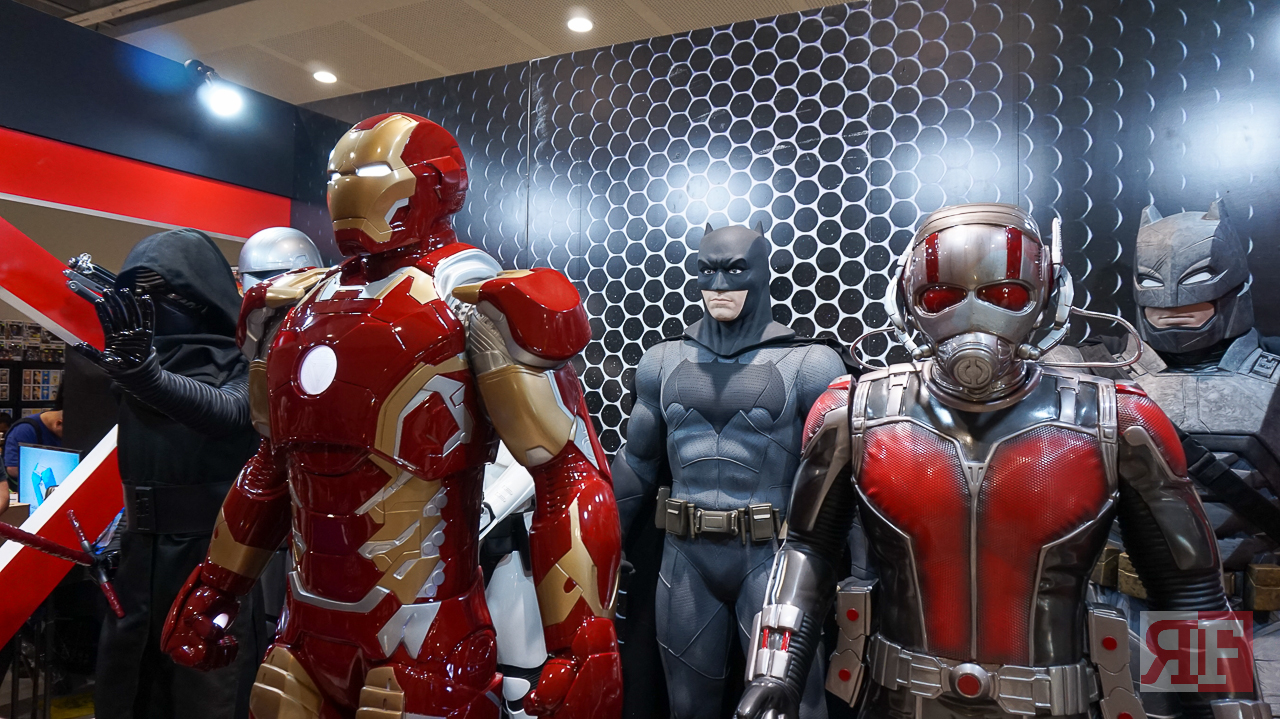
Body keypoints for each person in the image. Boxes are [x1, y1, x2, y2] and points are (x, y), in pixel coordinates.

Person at [160, 113, 623, 719]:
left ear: (434, 182)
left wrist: (584, 643)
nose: (346, 186)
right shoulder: (296, 308)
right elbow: (270, 471)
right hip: (301, 633)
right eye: (337, 174)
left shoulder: (475, 299)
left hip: (424, 640)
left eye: (371, 169)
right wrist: (217, 586)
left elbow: (568, 475)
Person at [734, 203, 1266, 719]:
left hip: (1057, 703)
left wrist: (1228, 705)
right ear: (907, 300)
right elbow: (805, 549)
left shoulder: (1116, 420)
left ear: (1049, 296)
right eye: (942, 295)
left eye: (1004, 294)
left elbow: (1191, 591)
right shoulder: (853, 413)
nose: (973, 316)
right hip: (896, 701)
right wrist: (774, 673)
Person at [611, 223, 847, 719]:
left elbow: (842, 477)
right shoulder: (661, 362)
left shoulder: (810, 364)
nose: (718, 285)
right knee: (686, 706)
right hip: (685, 558)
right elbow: (636, 463)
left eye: (735, 269)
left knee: (794, 703)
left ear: (762, 272)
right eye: (708, 271)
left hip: (773, 559)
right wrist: (605, 546)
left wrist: (862, 576)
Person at [72, 228, 263, 719]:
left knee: (205, 696)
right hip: (139, 557)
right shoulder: (134, 360)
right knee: (128, 692)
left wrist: (147, 378)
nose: (149, 306)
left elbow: (229, 412)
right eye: (136, 293)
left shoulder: (246, 357)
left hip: (215, 560)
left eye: (162, 292)